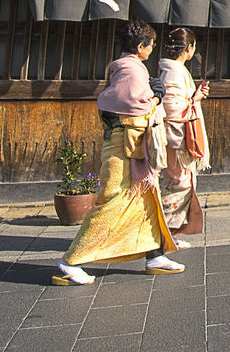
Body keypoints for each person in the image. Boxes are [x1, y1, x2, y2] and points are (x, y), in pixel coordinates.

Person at [54, 20, 181, 286]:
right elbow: (134, 107)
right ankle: (70, 261)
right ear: (140, 46)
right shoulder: (133, 71)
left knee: (146, 199)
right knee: (113, 200)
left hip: (131, 146)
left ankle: (154, 254)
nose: (153, 47)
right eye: (151, 44)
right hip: (124, 146)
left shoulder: (126, 67)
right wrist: (157, 98)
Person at [159, 28, 211, 240]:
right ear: (189, 48)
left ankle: (168, 233)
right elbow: (172, 108)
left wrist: (194, 97)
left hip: (177, 137)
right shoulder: (175, 72)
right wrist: (194, 99)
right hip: (177, 138)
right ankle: (161, 233)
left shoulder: (173, 70)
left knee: (179, 183)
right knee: (179, 184)